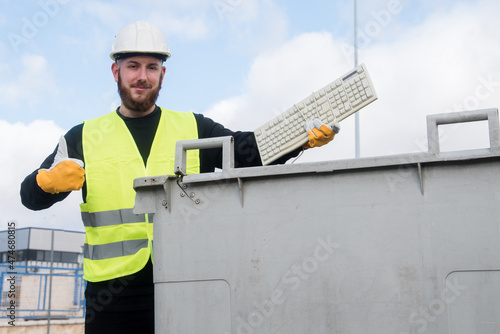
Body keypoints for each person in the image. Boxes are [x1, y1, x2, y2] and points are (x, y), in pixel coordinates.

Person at [20, 20, 338, 334]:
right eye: (133, 66)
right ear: (116, 71)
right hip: (112, 298)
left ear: (163, 74)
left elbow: (246, 152)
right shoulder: (82, 137)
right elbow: (29, 197)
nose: (142, 76)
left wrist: (300, 137)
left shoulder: (193, 127)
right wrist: (45, 183)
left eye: (152, 67)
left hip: (189, 284)